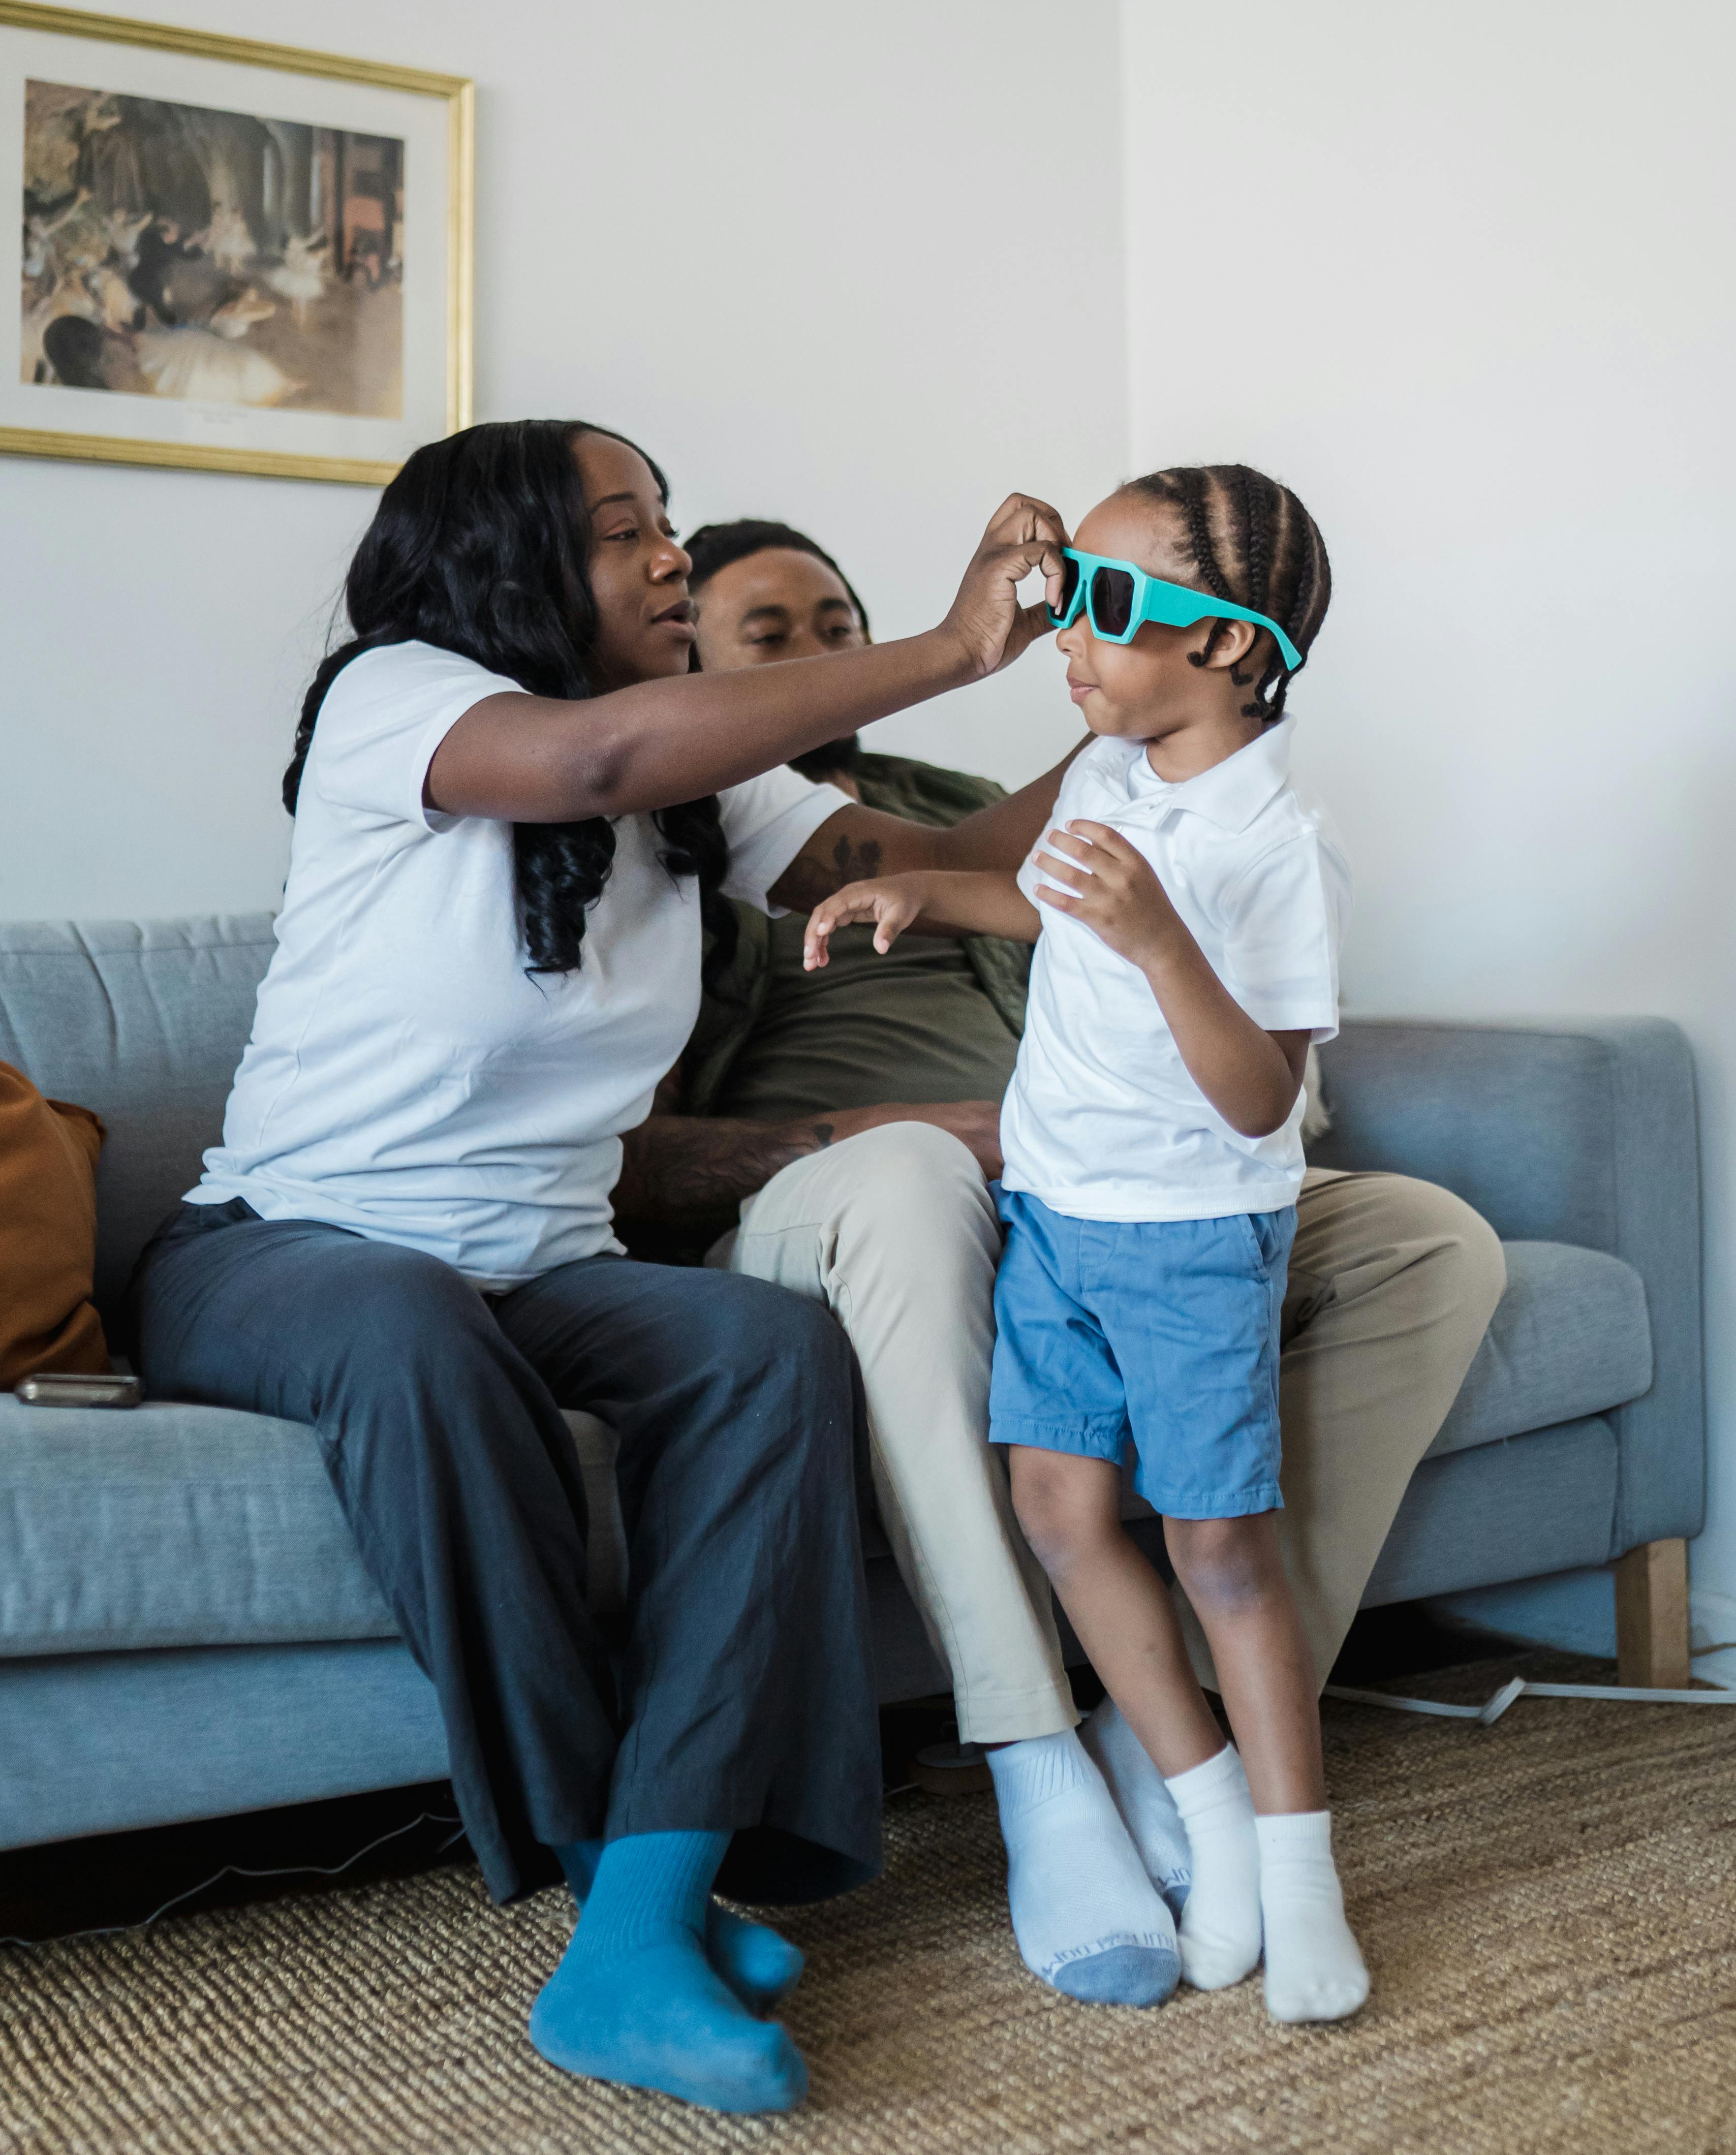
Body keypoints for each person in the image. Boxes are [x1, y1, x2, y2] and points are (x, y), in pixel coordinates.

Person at [121, 421, 1072, 2117]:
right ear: (505, 564)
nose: (669, 560)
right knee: (413, 1324)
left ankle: (640, 1913)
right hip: (287, 1247)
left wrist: (1149, 714)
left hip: (546, 1263)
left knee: (767, 1348)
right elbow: (591, 759)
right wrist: (941, 645)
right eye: (626, 531)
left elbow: (952, 863)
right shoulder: (400, 698)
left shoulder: (702, 784)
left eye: (668, 527)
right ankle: (610, 1882)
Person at [615, 507, 1504, 2010]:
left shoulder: (1006, 792)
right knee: (912, 1189)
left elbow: (1115, 898)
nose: (834, 659)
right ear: (700, 666)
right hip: (880, 1184)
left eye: (845, 624)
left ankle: (1178, 1739)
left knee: (1432, 1238)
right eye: (775, 639)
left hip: (1122, 1177)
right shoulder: (670, 828)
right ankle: (1043, 1759)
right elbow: (640, 1150)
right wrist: (924, 1123)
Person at [806, 462, 1370, 2024]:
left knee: (1217, 1549)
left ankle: (1301, 1872)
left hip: (1193, 1232)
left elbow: (1262, 1095)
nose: (1072, 634)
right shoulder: (1111, 766)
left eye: (1110, 608)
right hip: (1058, 1209)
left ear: (1235, 648)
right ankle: (1202, 1820)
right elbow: (1052, 901)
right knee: (1059, 1511)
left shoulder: (1273, 841)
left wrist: (1159, 935)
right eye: (1074, 595)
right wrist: (930, 886)